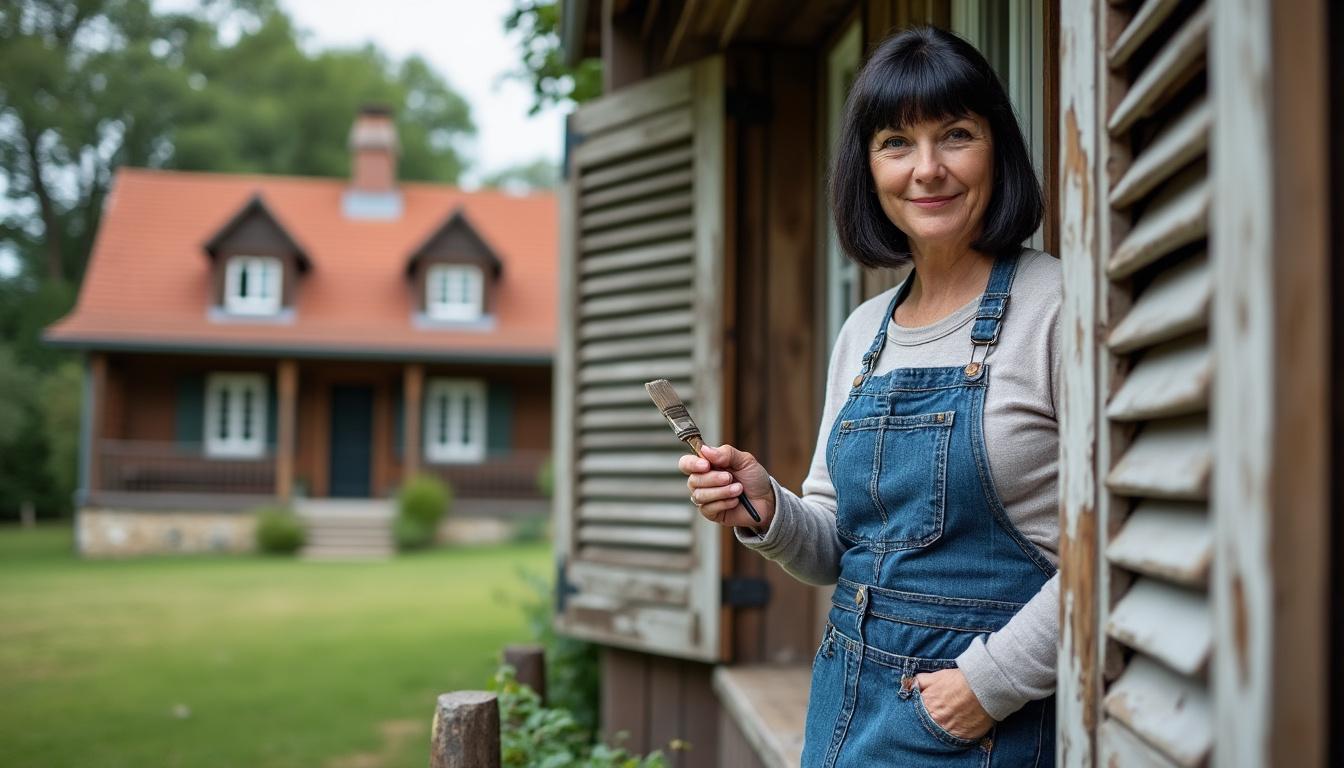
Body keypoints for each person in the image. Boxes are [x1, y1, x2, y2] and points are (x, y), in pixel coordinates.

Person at [678, 26, 1060, 767]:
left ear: (997, 148)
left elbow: (1108, 546)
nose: (927, 170)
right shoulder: (865, 333)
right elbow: (834, 548)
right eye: (896, 142)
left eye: (955, 135)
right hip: (844, 703)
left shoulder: (1056, 307)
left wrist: (989, 683)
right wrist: (767, 509)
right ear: (868, 166)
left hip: (981, 721)